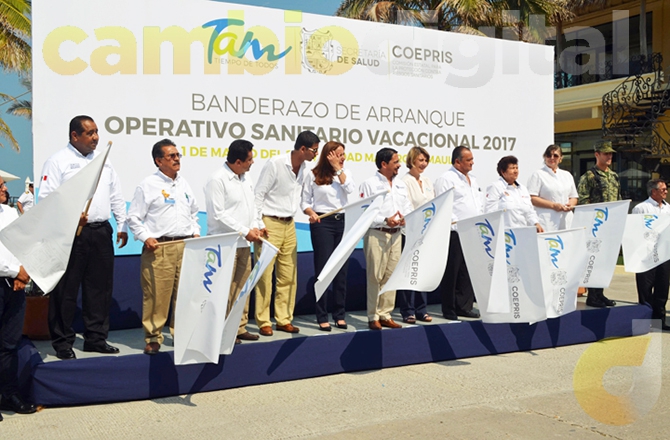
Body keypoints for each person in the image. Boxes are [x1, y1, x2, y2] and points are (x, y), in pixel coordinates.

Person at [39, 115, 128, 360]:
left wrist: (122, 224)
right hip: (71, 233)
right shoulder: (58, 161)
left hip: (100, 231)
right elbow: (46, 198)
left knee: (99, 289)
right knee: (66, 291)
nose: (96, 137)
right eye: (90, 133)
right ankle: (63, 342)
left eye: (96, 132)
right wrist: (69, 217)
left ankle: (95, 339)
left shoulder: (104, 162)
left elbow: (116, 194)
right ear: (74, 135)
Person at [128, 139, 200, 355]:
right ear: (159, 161)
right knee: (157, 296)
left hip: (185, 245)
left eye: (178, 155)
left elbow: (194, 212)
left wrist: (195, 230)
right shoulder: (148, 185)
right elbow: (134, 217)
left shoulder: (184, 184)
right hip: (159, 248)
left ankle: (182, 335)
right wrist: (145, 237)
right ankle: (153, 337)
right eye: (171, 156)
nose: (177, 159)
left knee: (185, 294)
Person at [254, 131, 319, 337]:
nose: (316, 154)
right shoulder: (275, 163)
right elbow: (258, 194)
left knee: (288, 274)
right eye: (314, 150)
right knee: (265, 274)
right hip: (269, 222)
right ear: (302, 149)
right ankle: (264, 320)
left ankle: (284, 319)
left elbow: (301, 199)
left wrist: (310, 212)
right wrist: (258, 224)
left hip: (289, 224)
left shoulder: (305, 169)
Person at [205, 139, 265, 344]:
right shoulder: (217, 180)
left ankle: (238, 328)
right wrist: (245, 231)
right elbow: (218, 214)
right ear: (238, 161)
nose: (252, 162)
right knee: (223, 290)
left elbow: (251, 206)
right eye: (249, 159)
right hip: (225, 244)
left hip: (244, 243)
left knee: (241, 288)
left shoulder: (246, 178)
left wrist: (256, 226)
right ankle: (220, 331)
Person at [301, 141, 355, 331]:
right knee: (323, 269)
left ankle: (339, 314)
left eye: (343, 154)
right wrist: (311, 213)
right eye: (339, 154)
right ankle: (322, 315)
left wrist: (338, 169)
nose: (343, 157)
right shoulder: (313, 174)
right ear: (328, 155)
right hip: (322, 223)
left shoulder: (344, 173)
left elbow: (350, 189)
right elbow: (305, 202)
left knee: (341, 271)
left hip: (342, 222)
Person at [360, 148, 413, 330]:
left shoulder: (401, 184)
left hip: (397, 235)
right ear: (384, 164)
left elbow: (407, 206)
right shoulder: (369, 184)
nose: (399, 165)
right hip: (377, 233)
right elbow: (365, 213)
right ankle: (373, 316)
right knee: (375, 276)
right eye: (395, 162)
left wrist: (406, 217)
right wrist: (384, 220)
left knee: (391, 276)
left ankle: (385, 314)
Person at [0, 176, 37, 417]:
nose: (5, 188)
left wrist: (21, 272)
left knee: (9, 343)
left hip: (14, 286)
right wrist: (16, 272)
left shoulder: (10, 212)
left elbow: (21, 244)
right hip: (8, 277)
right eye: (0, 185)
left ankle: (8, 394)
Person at [434, 146, 482, 320]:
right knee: (452, 271)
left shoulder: (473, 180)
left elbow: (477, 204)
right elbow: (444, 204)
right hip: (455, 231)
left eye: (472, 159)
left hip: (473, 230)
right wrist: (457, 223)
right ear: (457, 161)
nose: (472, 163)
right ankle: (449, 309)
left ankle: (464, 306)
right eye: (468, 160)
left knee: (467, 271)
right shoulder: (446, 179)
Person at [577, 140, 620, 308]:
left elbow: (618, 199)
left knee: (605, 260)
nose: (609, 156)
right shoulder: (589, 176)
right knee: (594, 260)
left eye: (610, 154)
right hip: (596, 226)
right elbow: (583, 200)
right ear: (597, 154)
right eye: (605, 153)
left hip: (611, 226)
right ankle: (593, 295)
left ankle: (600, 293)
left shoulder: (614, 176)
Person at [399, 146, 434, 324]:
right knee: (409, 272)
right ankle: (408, 310)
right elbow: (406, 207)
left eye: (426, 160)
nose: (424, 164)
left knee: (422, 272)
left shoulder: (427, 181)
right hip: (410, 233)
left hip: (426, 233)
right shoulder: (404, 182)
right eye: (421, 160)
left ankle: (421, 309)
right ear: (412, 161)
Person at [632, 179, 670, 331]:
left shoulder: (668, 208)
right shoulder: (641, 208)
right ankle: (644, 320)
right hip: (646, 254)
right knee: (645, 288)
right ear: (653, 191)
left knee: (662, 287)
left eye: (666, 189)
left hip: (664, 253)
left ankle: (659, 320)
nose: (666, 192)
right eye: (663, 189)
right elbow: (634, 230)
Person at [485, 155, 544, 232]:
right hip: (505, 234)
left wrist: (536, 223)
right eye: (512, 168)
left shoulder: (523, 189)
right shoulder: (496, 187)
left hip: (522, 232)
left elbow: (530, 211)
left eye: (516, 168)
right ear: (503, 172)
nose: (516, 171)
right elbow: (490, 213)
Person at [527, 145, 578, 231]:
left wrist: (570, 205)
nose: (552, 158)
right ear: (544, 157)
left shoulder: (567, 175)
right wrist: (553, 205)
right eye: (548, 155)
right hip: (547, 221)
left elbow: (573, 196)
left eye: (555, 155)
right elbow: (532, 198)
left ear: (561, 158)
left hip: (566, 220)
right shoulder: (538, 174)